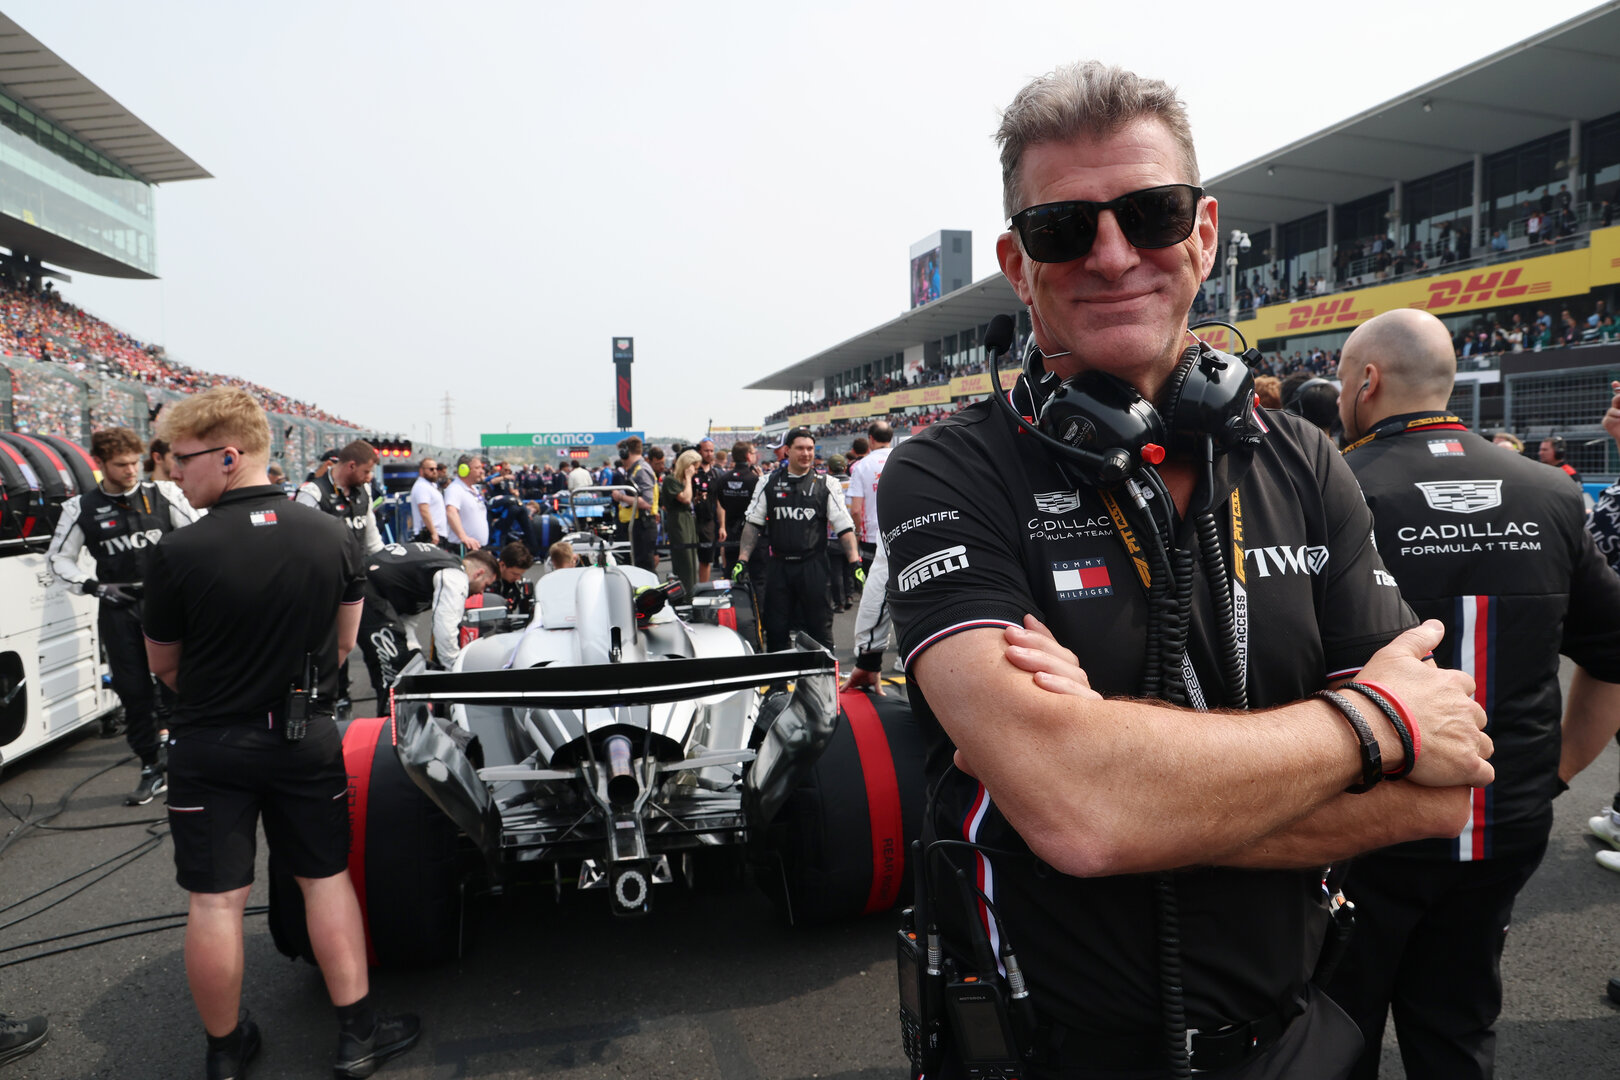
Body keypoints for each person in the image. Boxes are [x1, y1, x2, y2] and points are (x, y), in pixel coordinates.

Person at [878, 61, 1492, 1079]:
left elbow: (1439, 795)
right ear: (1018, 262)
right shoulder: (947, 469)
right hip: (1052, 1054)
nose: (1113, 255)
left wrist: (1119, 785)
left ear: (1201, 233)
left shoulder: (1301, 458)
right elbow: (1077, 810)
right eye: (1065, 228)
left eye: (1151, 213)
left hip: (1298, 1038)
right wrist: (1372, 727)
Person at [1326, 309, 1620, 1079]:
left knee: (1334, 1030)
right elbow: (1614, 654)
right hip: (1507, 819)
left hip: (1365, 824)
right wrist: (1554, 775)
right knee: (1457, 1029)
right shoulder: (1554, 494)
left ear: (1367, 382)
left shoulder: (1333, 490)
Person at [139, 387, 419, 1079]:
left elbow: (164, 666)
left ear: (229, 456)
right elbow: (344, 642)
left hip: (210, 742)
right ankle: (357, 1034)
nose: (173, 471)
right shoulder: (335, 535)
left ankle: (226, 1052)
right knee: (324, 880)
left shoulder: (177, 552)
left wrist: (221, 695)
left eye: (182, 458)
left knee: (214, 900)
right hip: (304, 732)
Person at [46, 426, 198, 805]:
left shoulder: (162, 493)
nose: (132, 470)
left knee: (181, 683)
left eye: (135, 462)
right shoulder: (79, 507)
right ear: (100, 464)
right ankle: (150, 766)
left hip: (167, 604)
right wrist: (94, 586)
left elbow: (199, 534)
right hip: (118, 606)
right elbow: (57, 561)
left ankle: (187, 761)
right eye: (121, 464)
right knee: (133, 691)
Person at [736, 427, 860, 652]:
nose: (806, 453)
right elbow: (753, 523)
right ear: (787, 451)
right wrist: (742, 559)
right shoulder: (767, 482)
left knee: (820, 629)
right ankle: (778, 685)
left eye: (810, 448)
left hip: (814, 566)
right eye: (800, 448)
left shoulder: (827, 484)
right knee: (776, 629)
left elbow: (844, 525)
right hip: (779, 567)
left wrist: (855, 563)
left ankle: (824, 685)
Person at [356, 542, 499, 691]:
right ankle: (387, 712)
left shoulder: (436, 564)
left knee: (405, 659)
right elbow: (445, 627)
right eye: (485, 585)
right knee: (393, 670)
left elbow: (408, 611)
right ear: (478, 574)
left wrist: (413, 650)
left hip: (366, 582)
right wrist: (455, 668)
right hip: (367, 588)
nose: (482, 592)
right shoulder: (455, 576)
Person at [297, 440, 384, 564]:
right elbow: (304, 547)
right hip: (329, 575)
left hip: (361, 574)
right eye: (366, 471)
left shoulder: (364, 490)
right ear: (352, 466)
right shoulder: (312, 494)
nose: (369, 477)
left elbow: (373, 543)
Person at [846, 421, 893, 574]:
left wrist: (857, 533)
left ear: (871, 439)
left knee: (872, 589)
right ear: (891, 438)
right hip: (901, 532)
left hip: (872, 536)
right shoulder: (903, 459)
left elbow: (855, 510)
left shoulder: (861, 466)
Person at [611, 436, 659, 573]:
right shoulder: (634, 470)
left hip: (642, 525)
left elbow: (646, 502)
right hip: (636, 525)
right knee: (637, 567)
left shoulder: (642, 470)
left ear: (625, 453)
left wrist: (620, 496)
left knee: (644, 569)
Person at [662, 448, 701, 593]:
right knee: (684, 562)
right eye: (694, 468)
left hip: (687, 521)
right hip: (678, 522)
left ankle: (691, 592)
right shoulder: (670, 480)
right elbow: (685, 498)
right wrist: (689, 479)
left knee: (691, 561)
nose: (695, 472)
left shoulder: (680, 481)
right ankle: (684, 595)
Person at [444, 454, 490, 552]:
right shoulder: (455, 489)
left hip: (478, 548)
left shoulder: (474, 489)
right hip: (464, 548)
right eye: (477, 468)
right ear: (463, 469)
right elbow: (451, 512)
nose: (482, 471)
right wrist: (463, 537)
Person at [692, 438, 720, 583]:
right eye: (706, 450)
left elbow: (719, 502)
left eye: (711, 450)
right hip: (691, 520)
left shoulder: (716, 474)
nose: (709, 454)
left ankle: (703, 589)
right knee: (689, 559)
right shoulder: (692, 472)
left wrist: (722, 526)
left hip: (708, 521)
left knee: (706, 559)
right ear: (699, 451)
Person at [410, 457, 448, 546]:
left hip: (437, 534)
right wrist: (433, 533)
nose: (435, 471)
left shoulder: (430, 486)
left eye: (436, 468)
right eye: (431, 469)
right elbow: (424, 511)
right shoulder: (421, 487)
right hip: (429, 536)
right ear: (421, 471)